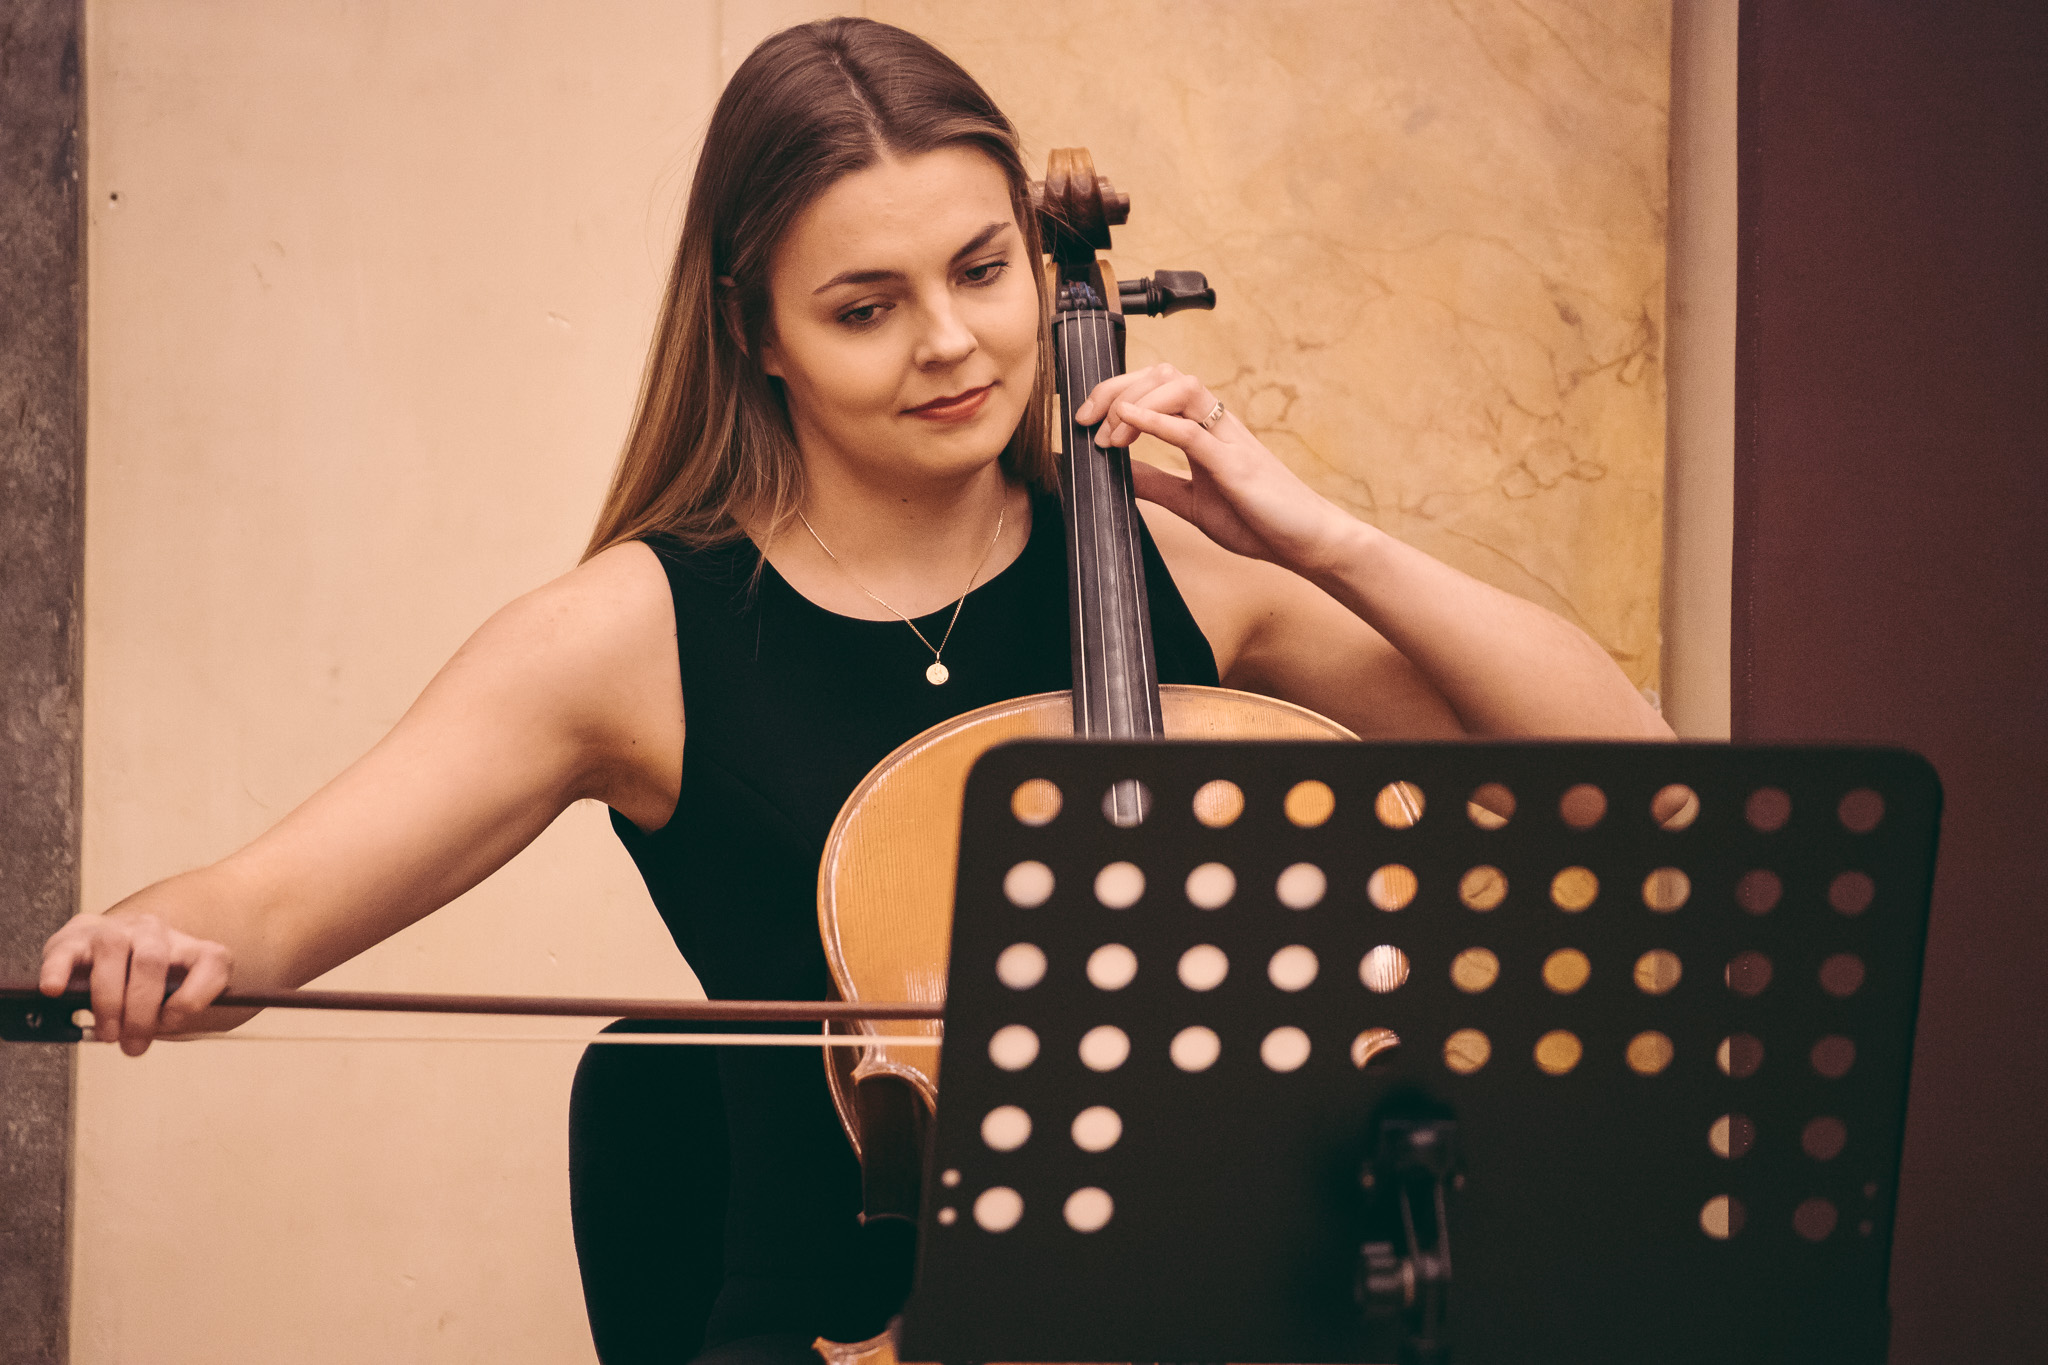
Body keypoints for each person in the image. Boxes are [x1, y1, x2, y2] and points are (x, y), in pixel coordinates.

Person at [38, 15, 1672, 1365]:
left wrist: (1326, 539)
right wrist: (153, 937)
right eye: (866, 307)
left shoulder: (1184, 573)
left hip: (1223, 1318)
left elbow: (1631, 776)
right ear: (756, 330)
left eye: (983, 269)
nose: (950, 343)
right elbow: (258, 915)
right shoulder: (634, 636)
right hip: (843, 1333)